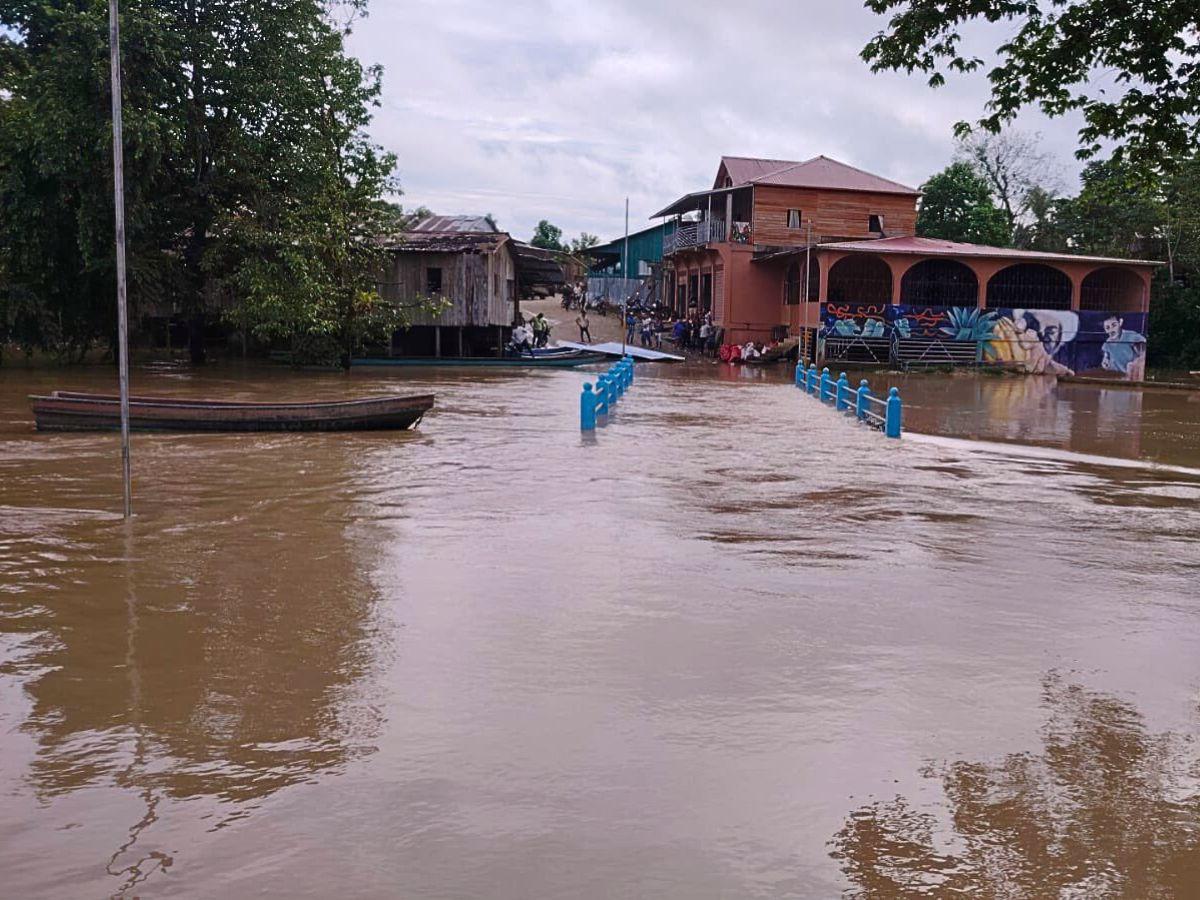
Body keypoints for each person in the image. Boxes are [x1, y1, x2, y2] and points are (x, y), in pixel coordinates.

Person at [1101, 315, 1147, 379]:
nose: (1111, 330)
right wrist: (1105, 363)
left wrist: (1136, 363)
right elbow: (1106, 358)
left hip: (1133, 378)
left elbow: (1144, 354)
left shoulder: (1132, 336)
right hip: (1117, 379)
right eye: (1107, 328)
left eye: (1114, 325)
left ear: (1120, 322)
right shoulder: (1107, 343)